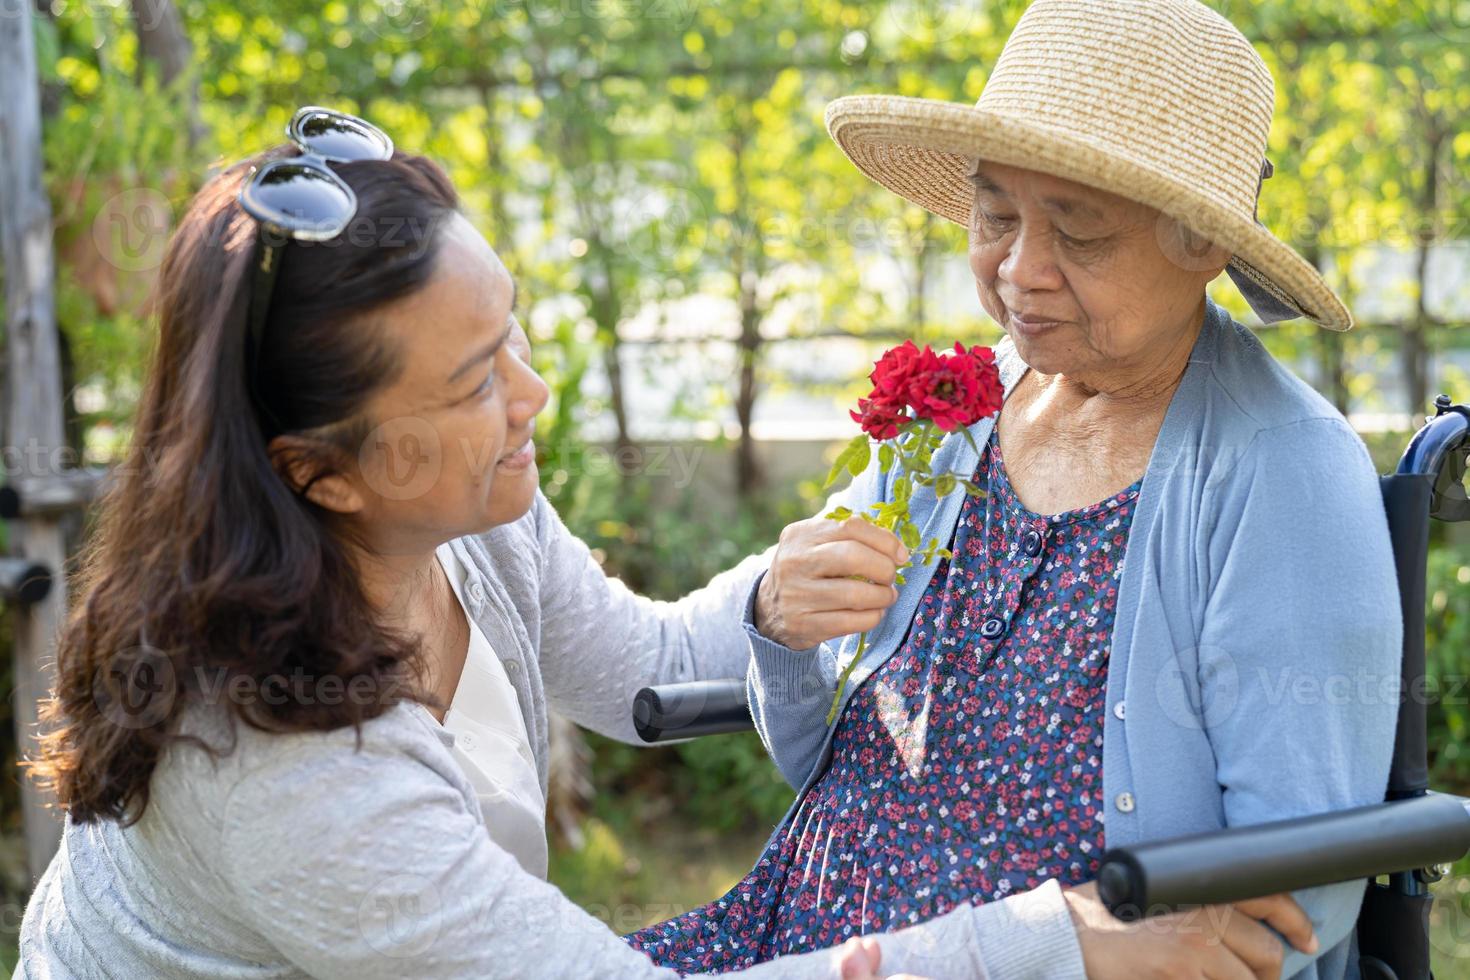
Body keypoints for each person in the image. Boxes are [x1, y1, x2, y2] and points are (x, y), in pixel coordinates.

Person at [17, 107, 1317, 980]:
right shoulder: (284, 773)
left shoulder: (471, 523)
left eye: (511, 334)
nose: (533, 397)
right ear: (318, 473)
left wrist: (773, 596)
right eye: (473, 383)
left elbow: (634, 668)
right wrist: (1064, 944)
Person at [626, 1, 1400, 978]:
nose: (1019, 270)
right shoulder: (964, 410)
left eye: (1077, 232)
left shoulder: (1283, 471)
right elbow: (824, 761)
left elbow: (1294, 896)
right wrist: (782, 629)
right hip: (796, 931)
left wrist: (1025, 948)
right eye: (996, 216)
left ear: (1201, 243)